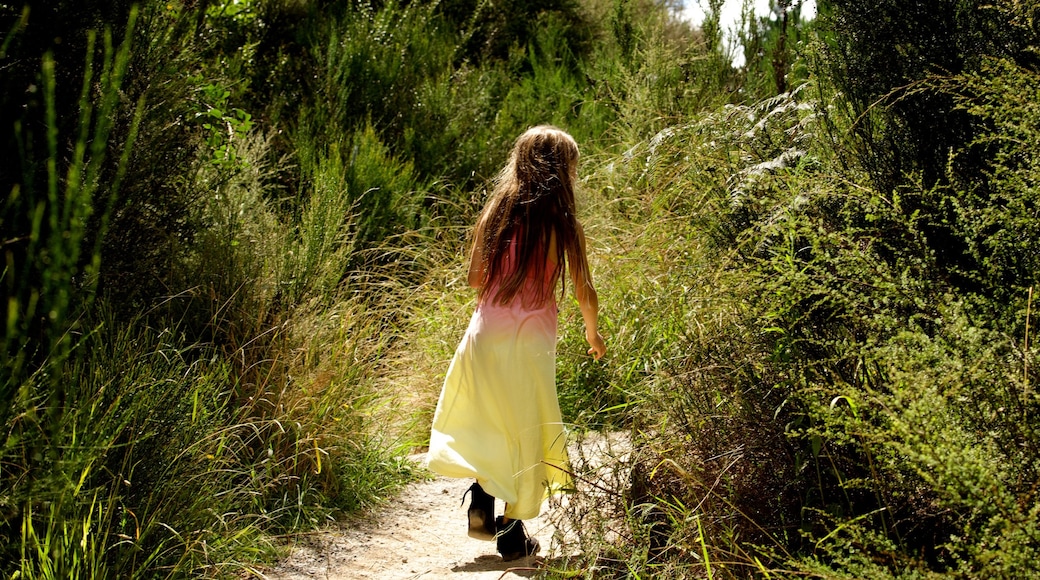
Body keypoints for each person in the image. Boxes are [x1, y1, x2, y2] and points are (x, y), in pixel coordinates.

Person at [427, 125, 606, 562]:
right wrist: (592, 332)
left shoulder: (495, 215)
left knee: (486, 417)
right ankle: (510, 529)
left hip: (486, 332)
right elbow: (584, 289)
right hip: (532, 342)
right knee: (527, 425)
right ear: (563, 172)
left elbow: (473, 279)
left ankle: (484, 493)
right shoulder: (564, 226)